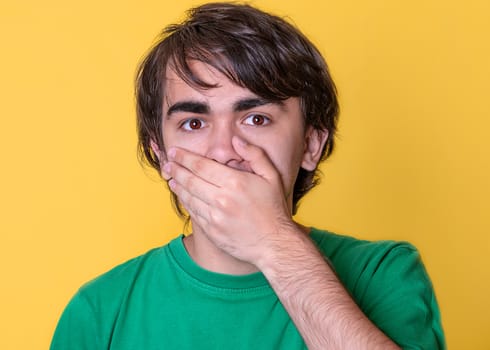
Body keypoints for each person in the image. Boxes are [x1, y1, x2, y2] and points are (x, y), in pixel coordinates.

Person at [50, 3, 445, 349]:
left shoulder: (383, 274)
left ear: (311, 144)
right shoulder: (100, 311)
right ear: (159, 151)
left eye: (256, 118)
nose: (223, 150)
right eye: (193, 123)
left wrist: (272, 242)